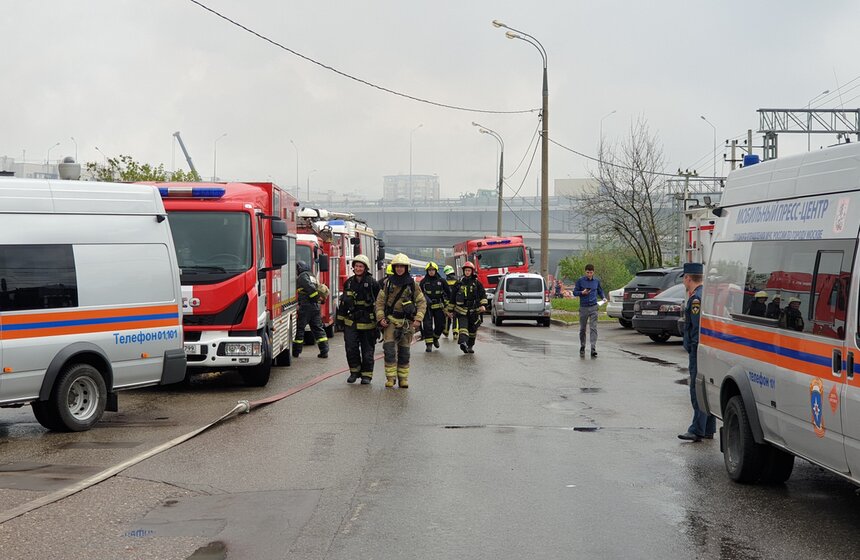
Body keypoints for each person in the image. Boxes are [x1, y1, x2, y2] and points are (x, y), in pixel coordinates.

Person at [375, 253, 426, 388]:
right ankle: (390, 378)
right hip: (391, 321)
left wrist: (418, 319)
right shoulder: (387, 284)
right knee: (389, 350)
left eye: (402, 266)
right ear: (393, 268)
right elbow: (380, 302)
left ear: (406, 268)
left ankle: (403, 379)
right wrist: (381, 318)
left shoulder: (413, 285)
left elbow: (421, 302)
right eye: (397, 266)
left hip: (406, 323)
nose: (399, 269)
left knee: (404, 352)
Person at [678, 262, 716, 442]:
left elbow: (695, 329)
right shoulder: (705, 295)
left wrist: (693, 348)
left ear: (688, 278)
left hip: (697, 350)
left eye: (684, 279)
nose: (684, 283)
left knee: (696, 389)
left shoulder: (696, 299)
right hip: (705, 349)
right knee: (705, 387)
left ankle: (697, 429)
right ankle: (708, 428)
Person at [338, 255, 381, 385]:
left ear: (365, 268)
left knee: (367, 350)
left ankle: (366, 375)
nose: (358, 268)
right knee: (351, 348)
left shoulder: (373, 283)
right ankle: (354, 372)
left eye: (361, 266)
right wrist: (340, 320)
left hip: (368, 322)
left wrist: (380, 321)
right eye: (356, 266)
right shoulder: (348, 283)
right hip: (351, 321)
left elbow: (380, 303)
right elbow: (343, 303)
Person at [292, 261, 329, 359]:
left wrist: (315, 298)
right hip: (315, 307)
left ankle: (296, 351)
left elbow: (311, 289)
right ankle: (324, 350)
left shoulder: (302, 276)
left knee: (300, 329)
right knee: (318, 329)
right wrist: (317, 300)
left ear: (299, 268)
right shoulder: (312, 275)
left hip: (305, 306)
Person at [452, 261, 487, 354]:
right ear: (463, 271)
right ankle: (463, 343)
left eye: (469, 270)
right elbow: (452, 297)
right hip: (461, 310)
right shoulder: (458, 283)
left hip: (474, 310)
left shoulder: (477, 283)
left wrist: (483, 305)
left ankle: (470, 346)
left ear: (472, 271)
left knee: (472, 330)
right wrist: (450, 310)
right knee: (463, 328)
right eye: (466, 270)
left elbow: (483, 294)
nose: (467, 272)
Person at [573, 264, 605, 358]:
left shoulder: (596, 281)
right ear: (585, 272)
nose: (589, 274)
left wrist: (603, 297)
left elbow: (600, 291)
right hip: (583, 307)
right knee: (583, 328)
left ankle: (593, 348)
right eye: (588, 272)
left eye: (591, 272)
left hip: (594, 306)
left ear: (593, 272)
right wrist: (582, 292)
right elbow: (575, 292)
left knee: (593, 328)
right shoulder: (580, 281)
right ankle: (582, 346)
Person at [419, 262, 450, 352]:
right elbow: (419, 295)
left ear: (436, 270)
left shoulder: (442, 281)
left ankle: (435, 338)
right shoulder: (423, 282)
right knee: (427, 326)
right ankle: (429, 345)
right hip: (427, 307)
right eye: (429, 270)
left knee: (441, 325)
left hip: (439, 306)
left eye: (433, 270)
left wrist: (449, 306)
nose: (431, 271)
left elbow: (448, 293)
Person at [442, 265, 458, 338]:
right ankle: (455, 332)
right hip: (456, 302)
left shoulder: (445, 281)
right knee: (455, 316)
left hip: (448, 302)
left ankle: (446, 331)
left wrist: (445, 302)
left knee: (447, 316)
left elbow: (444, 293)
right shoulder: (457, 281)